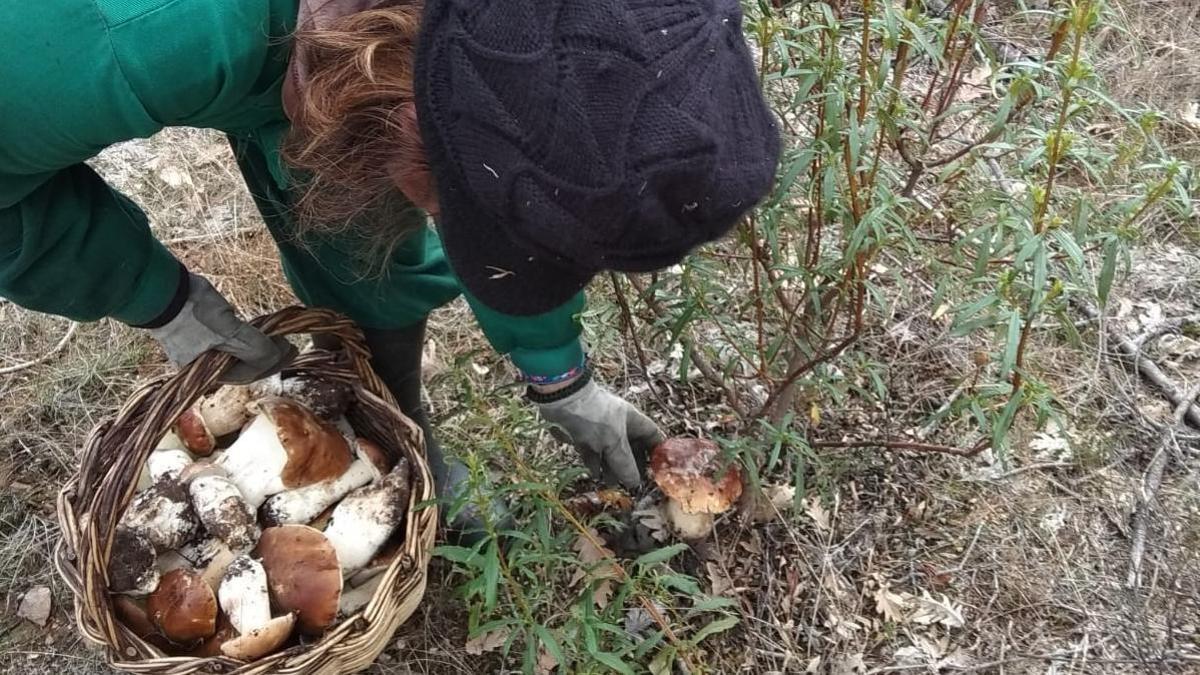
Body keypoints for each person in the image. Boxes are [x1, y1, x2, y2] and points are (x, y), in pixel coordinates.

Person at [0, 0, 779, 535]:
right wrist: (154, 295)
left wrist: (557, 372)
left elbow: (533, 172)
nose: (439, 216)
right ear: (414, 107)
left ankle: (388, 435)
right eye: (449, 197)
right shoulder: (128, 32)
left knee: (362, 215)